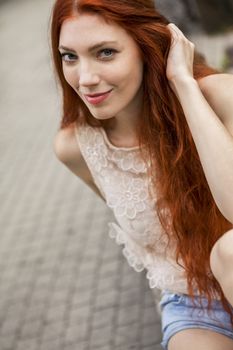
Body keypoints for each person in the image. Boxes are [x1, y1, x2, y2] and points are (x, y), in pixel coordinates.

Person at [50, 0, 233, 349]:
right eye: (69, 56)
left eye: (105, 52)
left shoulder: (221, 97)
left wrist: (183, 85)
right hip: (192, 300)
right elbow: (153, 242)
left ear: (144, 46)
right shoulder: (76, 149)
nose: (85, 78)